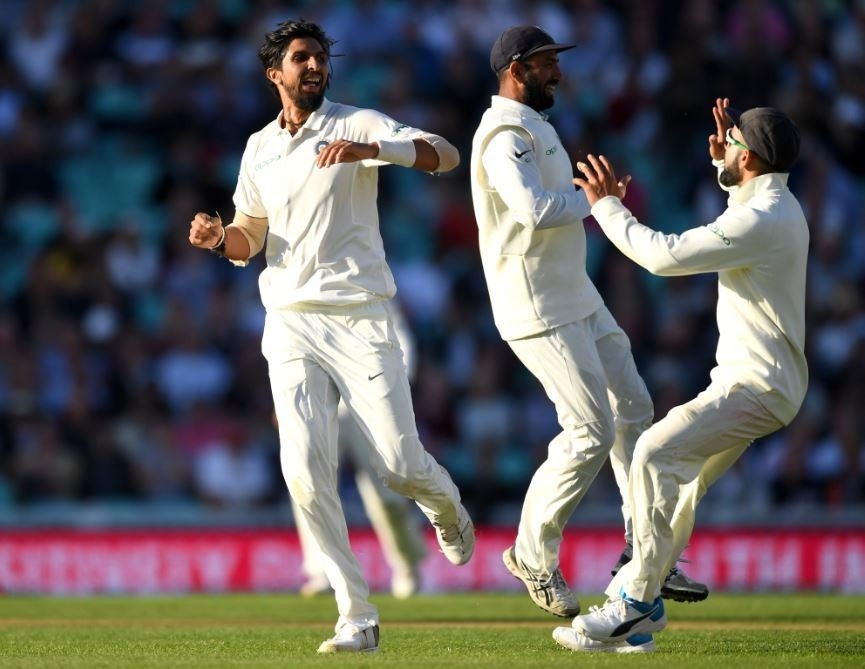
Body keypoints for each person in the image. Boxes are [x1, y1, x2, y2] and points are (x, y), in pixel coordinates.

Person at [187, 19, 474, 654]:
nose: (314, 66)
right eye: (300, 59)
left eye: (319, 57)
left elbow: (446, 155)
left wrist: (376, 152)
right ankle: (356, 615)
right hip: (289, 322)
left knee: (398, 463)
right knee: (305, 473)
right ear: (275, 75)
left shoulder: (356, 122)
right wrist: (218, 241)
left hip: (360, 316)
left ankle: (445, 504)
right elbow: (250, 238)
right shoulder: (258, 147)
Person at [469, 24, 707, 619]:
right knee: (590, 433)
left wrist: (597, 199)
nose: (559, 72)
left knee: (634, 411)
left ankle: (644, 551)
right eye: (548, 63)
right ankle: (531, 553)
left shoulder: (536, 126)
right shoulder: (502, 134)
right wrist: (599, 202)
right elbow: (530, 210)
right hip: (535, 305)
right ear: (516, 69)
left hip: (576, 294)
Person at [557, 100, 807, 653]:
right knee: (683, 485)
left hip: (756, 386)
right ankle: (637, 616)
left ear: (751, 158)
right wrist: (727, 171)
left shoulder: (760, 219)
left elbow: (663, 258)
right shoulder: (772, 204)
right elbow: (741, 208)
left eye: (733, 142)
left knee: (650, 454)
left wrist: (607, 207)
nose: (724, 144)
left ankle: (638, 602)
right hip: (759, 384)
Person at [294, 303, 427, 600]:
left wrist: (393, 393)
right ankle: (320, 571)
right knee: (308, 478)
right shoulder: (304, 285)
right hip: (320, 400)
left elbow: (400, 340)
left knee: (389, 493)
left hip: (367, 402)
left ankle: (407, 566)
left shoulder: (366, 278)